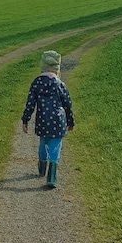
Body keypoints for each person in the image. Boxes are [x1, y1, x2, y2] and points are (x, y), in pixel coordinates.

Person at [22, 50, 75, 189]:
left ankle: (41, 168)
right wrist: (71, 121)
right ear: (57, 69)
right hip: (58, 122)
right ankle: (51, 177)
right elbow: (68, 105)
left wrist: (25, 120)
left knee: (43, 144)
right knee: (55, 148)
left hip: (43, 121)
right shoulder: (60, 84)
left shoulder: (37, 83)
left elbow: (30, 103)